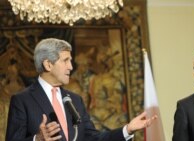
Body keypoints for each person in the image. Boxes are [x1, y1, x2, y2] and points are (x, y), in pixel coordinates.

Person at [6, 38, 157, 141]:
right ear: (48, 65)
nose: (71, 67)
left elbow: (93, 138)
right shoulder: (22, 100)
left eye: (70, 61)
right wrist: (36, 139)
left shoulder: (74, 100)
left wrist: (127, 130)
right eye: (66, 60)